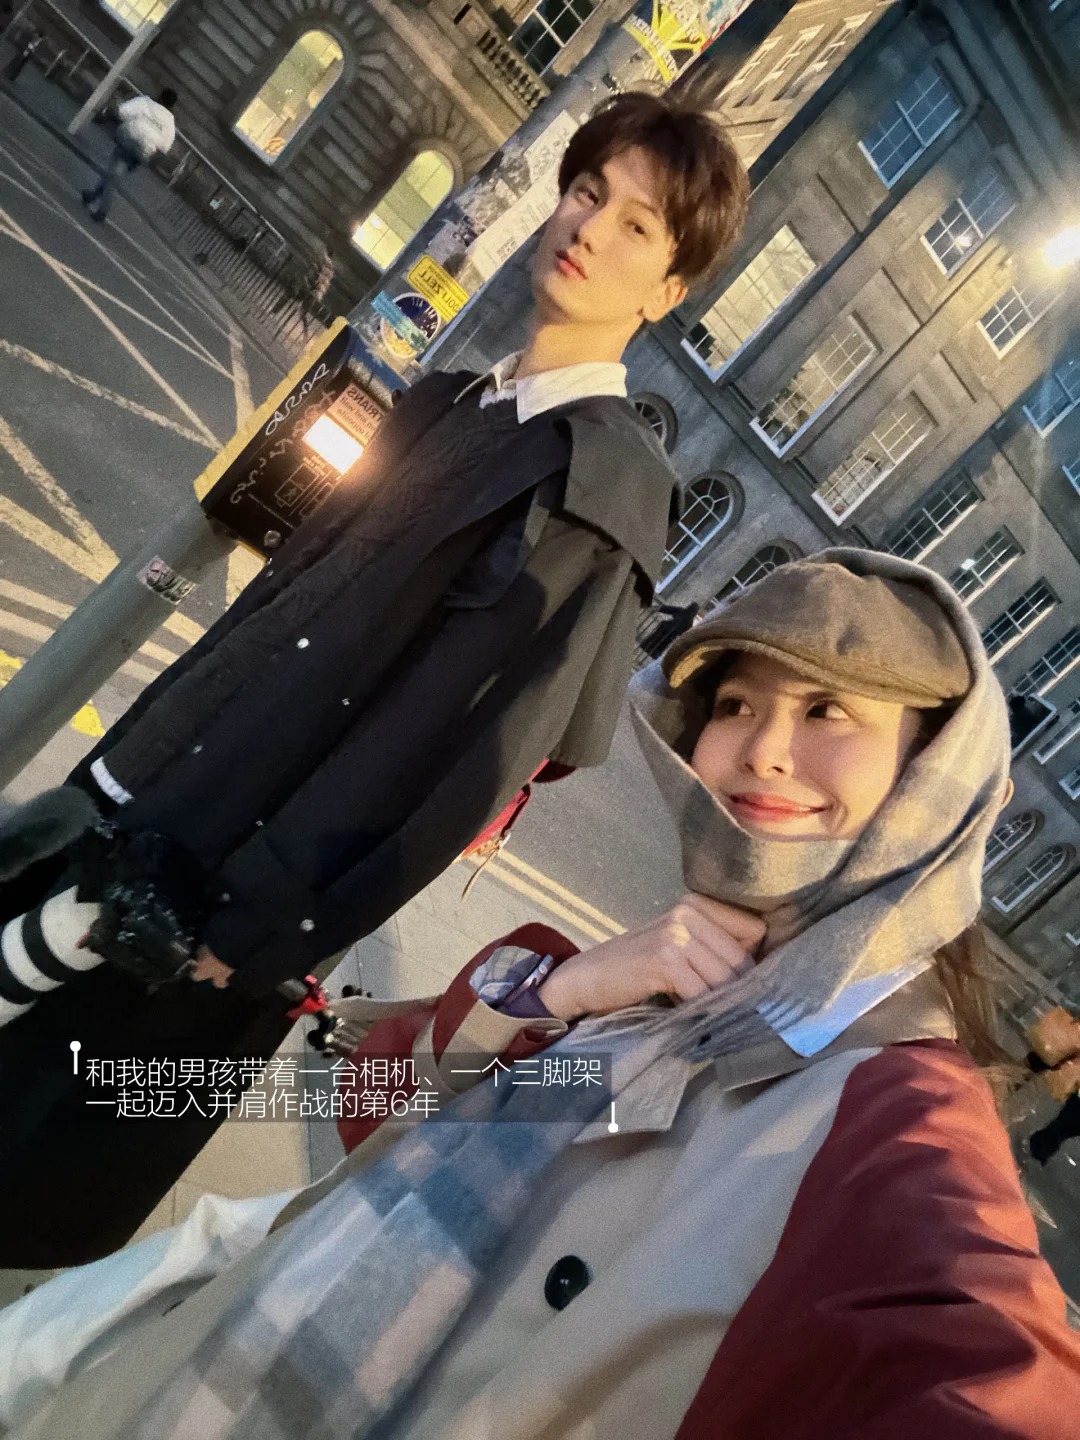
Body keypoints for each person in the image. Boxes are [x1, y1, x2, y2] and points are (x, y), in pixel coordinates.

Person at [5, 549, 1079, 1440]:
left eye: (829, 711)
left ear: (933, 774)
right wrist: (563, 988)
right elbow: (383, 1105)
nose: (762, 752)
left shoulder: (901, 1126)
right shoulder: (675, 991)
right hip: (168, 1361)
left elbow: (977, 1358)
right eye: (736, 703)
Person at [0, 89, 750, 1266]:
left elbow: (458, 761)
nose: (589, 228)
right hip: (146, 790)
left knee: (46, 1135)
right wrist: (126, 757)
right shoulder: (449, 401)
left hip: (217, 896)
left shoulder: (600, 492)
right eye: (587, 191)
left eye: (637, 226)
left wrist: (260, 936)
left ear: (667, 289)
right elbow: (285, 604)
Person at [81, 88, 177, 222]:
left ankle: (103, 210)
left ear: (159, 96)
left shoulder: (145, 102)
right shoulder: (169, 121)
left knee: (113, 175)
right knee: (114, 174)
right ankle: (92, 195)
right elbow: (165, 146)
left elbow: (123, 112)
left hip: (128, 140)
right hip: (144, 153)